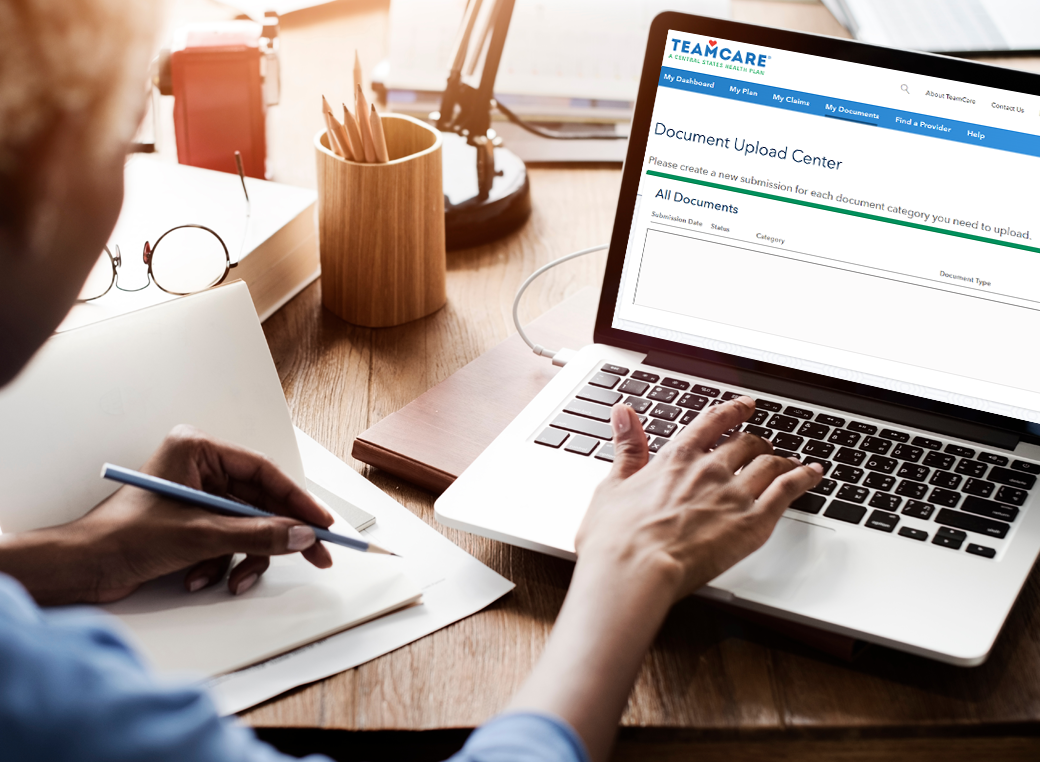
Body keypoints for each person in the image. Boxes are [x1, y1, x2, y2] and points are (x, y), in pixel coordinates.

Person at [0, 2, 823, 761]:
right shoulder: (48, 697)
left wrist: (71, 557)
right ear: (42, 193)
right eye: (123, 138)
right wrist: (629, 565)